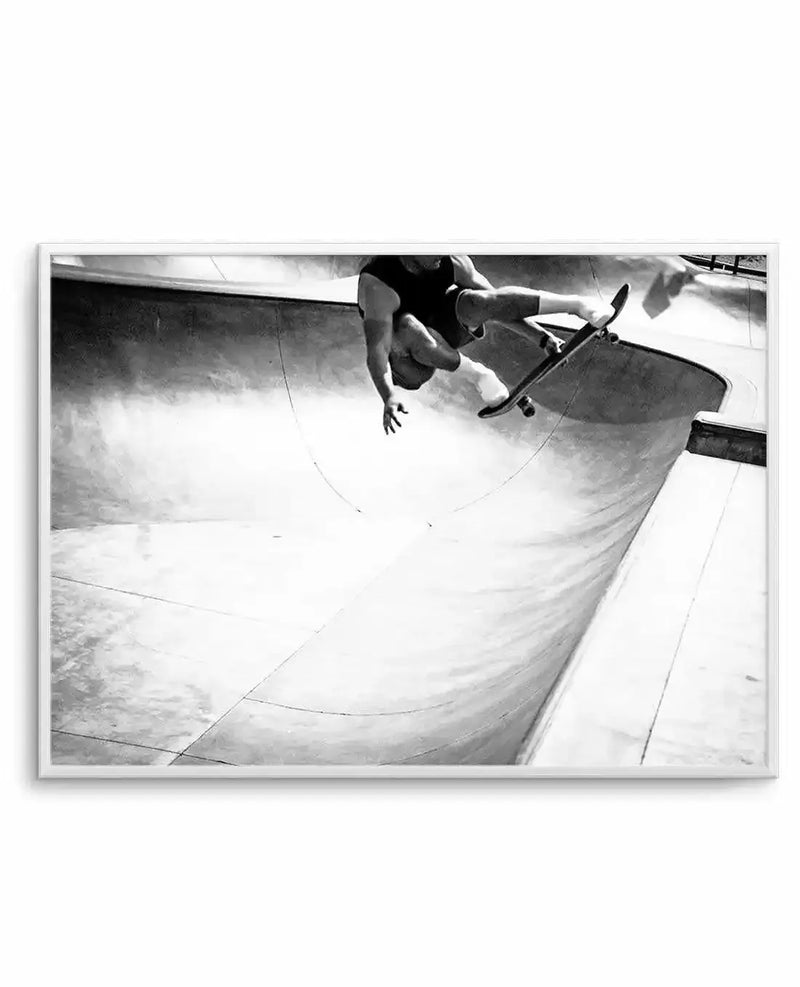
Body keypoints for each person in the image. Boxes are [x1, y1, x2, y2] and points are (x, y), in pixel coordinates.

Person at [357, 254, 615, 434]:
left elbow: (498, 304)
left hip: (442, 331)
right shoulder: (378, 285)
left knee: (477, 301)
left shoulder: (451, 260)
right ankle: (478, 375)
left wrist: (541, 337)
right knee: (407, 325)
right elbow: (377, 353)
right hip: (406, 364)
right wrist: (388, 395)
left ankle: (577, 304)